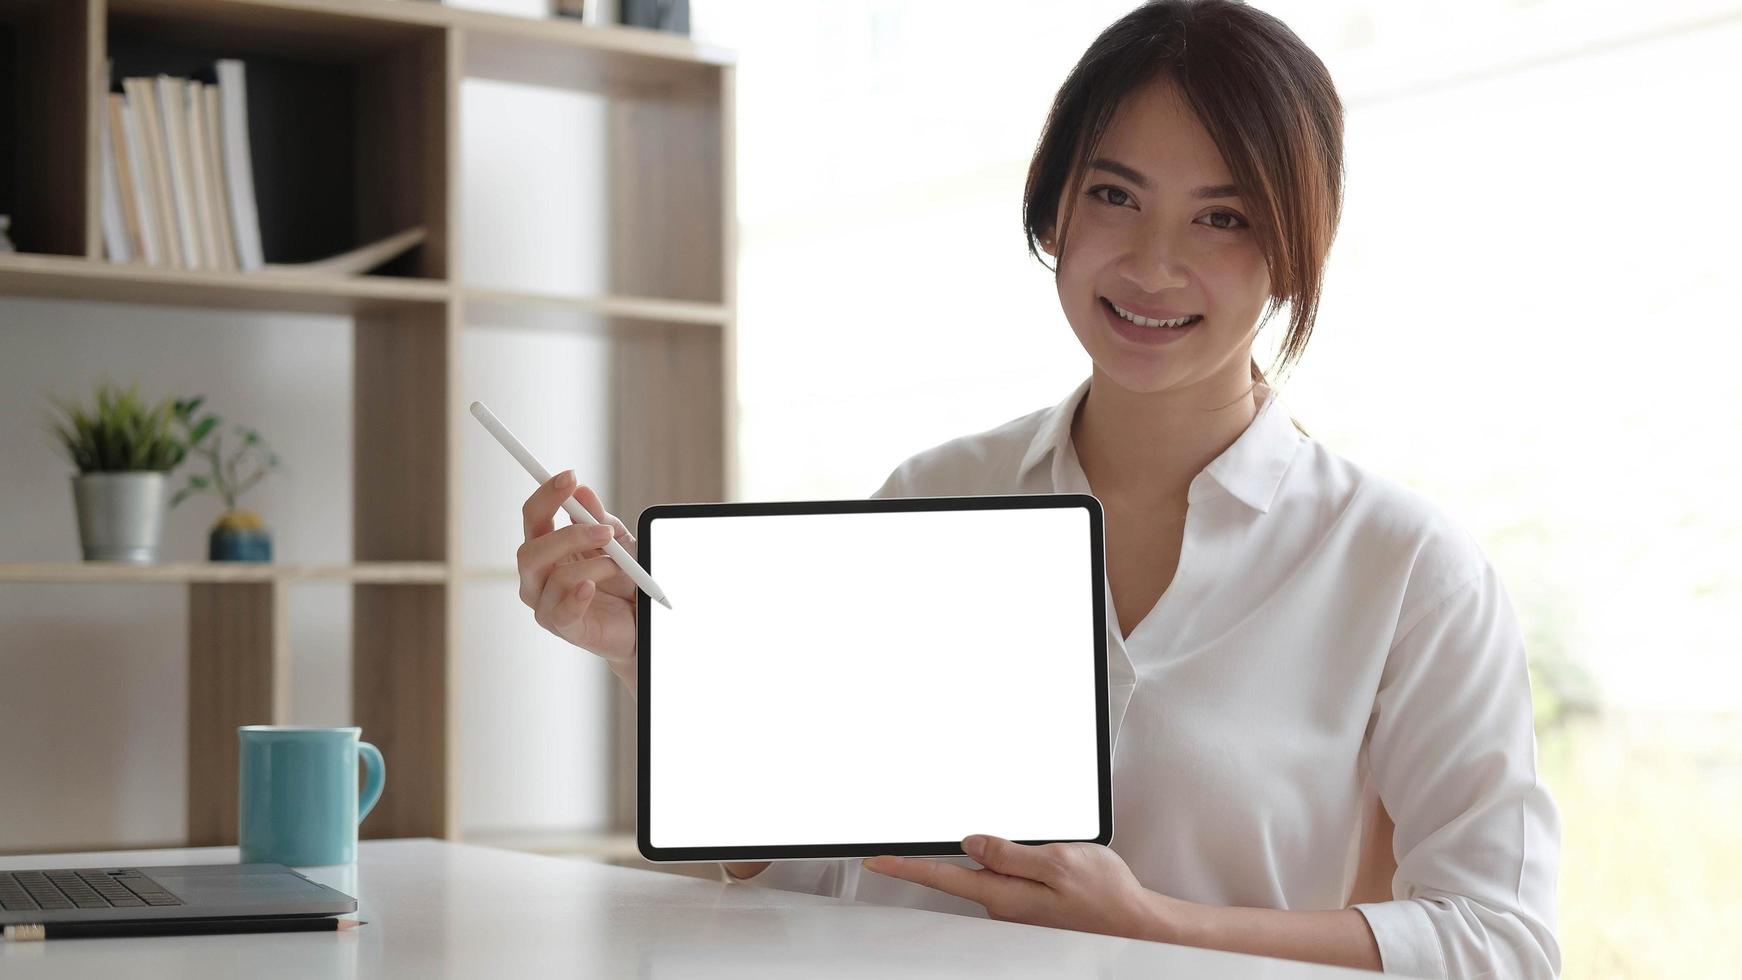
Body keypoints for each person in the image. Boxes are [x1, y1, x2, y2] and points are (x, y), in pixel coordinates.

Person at [513, 1, 1561, 976]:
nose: (1151, 264)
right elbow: (818, 879)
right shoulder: (929, 495)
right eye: (1113, 196)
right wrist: (657, 671)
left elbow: (1500, 940)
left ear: (1292, 251)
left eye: (1221, 217)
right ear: (1052, 211)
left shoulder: (1403, 565)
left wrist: (1154, 926)